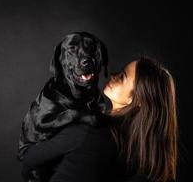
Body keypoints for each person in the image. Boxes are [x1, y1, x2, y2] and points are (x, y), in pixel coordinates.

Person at [19, 56, 178, 182]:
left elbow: (30, 158)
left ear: (138, 101)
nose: (113, 75)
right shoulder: (148, 156)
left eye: (122, 77)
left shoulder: (91, 130)